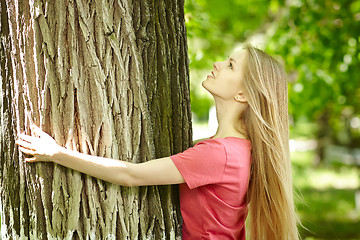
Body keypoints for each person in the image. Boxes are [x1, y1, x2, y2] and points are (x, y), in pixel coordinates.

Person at [16, 45, 299, 239]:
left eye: (230, 65)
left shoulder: (219, 154)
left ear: (242, 95)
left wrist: (56, 153)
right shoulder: (240, 149)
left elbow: (131, 174)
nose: (217, 64)